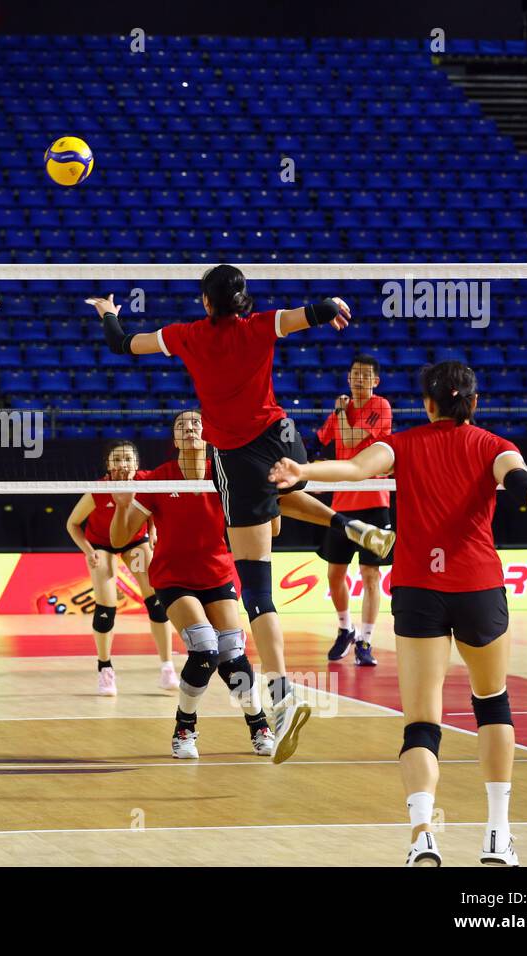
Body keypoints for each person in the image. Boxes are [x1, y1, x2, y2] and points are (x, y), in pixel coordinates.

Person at [269, 360, 527, 866]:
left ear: (426, 403)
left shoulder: (403, 445)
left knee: (421, 723)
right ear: (473, 403)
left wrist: (303, 471)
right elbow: (521, 483)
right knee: (492, 703)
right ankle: (497, 834)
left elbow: (354, 469)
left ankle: (421, 835)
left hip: (417, 590)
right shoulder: (494, 445)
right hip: (477, 588)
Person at [88, 265, 393, 764]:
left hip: (233, 453)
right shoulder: (260, 325)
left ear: (206, 304)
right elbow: (308, 315)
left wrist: (108, 315)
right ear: (244, 300)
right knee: (284, 487)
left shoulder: (185, 335)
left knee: (258, 592)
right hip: (280, 437)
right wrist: (332, 307)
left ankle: (281, 695)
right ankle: (343, 521)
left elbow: (123, 345)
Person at [110, 410, 275, 759]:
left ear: (208, 434)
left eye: (197, 423)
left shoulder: (225, 476)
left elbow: (271, 528)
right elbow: (120, 537)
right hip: (172, 577)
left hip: (217, 575)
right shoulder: (158, 479)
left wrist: (267, 497)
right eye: (182, 425)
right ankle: (184, 727)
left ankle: (258, 725)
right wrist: (122, 507)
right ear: (174, 439)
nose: (190, 428)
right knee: (204, 647)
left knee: (232, 652)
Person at [64, 441, 177, 695]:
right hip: (101, 545)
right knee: (106, 607)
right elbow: (72, 524)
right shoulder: (100, 489)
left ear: (136, 464)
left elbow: (154, 510)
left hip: (134, 541)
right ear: (109, 465)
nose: (122, 463)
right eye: (116, 459)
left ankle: (167, 667)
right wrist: (89, 551)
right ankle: (105, 669)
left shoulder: (146, 482)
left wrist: (153, 531)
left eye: (127, 459)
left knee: (157, 601)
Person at [315, 354, 394, 665]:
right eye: (354, 374)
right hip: (341, 504)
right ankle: (345, 628)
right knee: (335, 573)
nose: (358, 379)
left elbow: (348, 437)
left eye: (365, 375)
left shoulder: (380, 407)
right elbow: (324, 441)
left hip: (374, 502)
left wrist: (338, 411)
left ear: (375, 381)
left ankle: (366, 640)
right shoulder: (340, 412)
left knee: (370, 573)